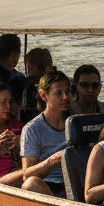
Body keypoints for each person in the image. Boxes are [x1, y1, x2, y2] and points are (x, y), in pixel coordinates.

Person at [20, 69, 71, 197]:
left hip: (76, 181)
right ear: (44, 96)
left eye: (68, 92)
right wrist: (52, 160)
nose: (65, 97)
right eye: (58, 93)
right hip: (48, 185)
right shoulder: (32, 129)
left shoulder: (75, 122)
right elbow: (27, 174)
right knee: (30, 184)